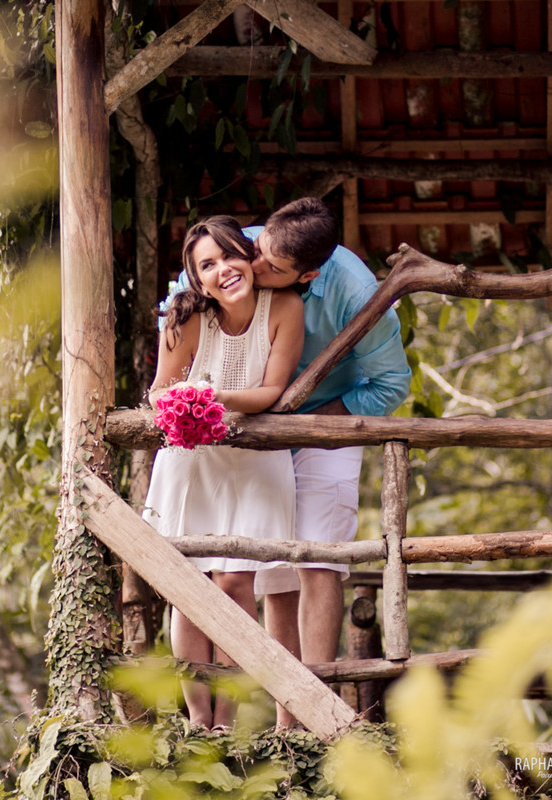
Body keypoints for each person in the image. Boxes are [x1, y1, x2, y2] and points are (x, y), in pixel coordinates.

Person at [162, 198, 411, 727]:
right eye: (258, 254)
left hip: (326, 423)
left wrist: (313, 422)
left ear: (310, 274)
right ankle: (266, 718)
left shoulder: (356, 293)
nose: (254, 268)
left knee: (316, 558)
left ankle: (309, 715)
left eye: (271, 269)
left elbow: (391, 385)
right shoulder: (244, 248)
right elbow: (183, 292)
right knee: (265, 569)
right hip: (241, 429)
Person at [142, 215, 305, 730]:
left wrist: (212, 398)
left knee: (236, 580)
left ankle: (226, 720)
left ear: (249, 254)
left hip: (256, 463)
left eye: (230, 256)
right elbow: (157, 392)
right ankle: (197, 719)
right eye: (206, 265)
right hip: (195, 463)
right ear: (196, 278)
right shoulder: (187, 317)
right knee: (190, 587)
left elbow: (272, 391)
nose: (223, 271)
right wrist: (182, 405)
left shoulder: (285, 307)